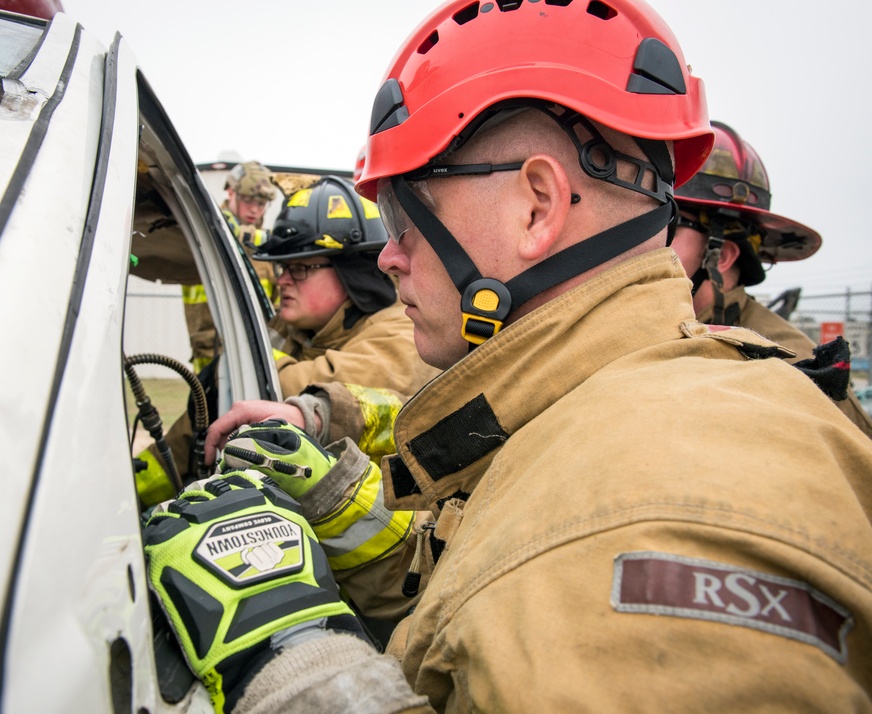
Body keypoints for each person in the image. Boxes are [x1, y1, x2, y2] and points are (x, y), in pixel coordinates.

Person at [145, 1, 872, 711]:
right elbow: (491, 587)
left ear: (536, 207)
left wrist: (299, 670)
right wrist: (334, 501)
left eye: (404, 214)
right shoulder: (582, 410)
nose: (389, 256)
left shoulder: (668, 499)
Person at [134, 175, 439, 510]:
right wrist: (131, 495)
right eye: (281, 267)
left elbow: (308, 385)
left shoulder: (401, 331)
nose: (282, 280)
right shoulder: (296, 328)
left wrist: (237, 357)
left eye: (300, 268)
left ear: (351, 270)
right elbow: (187, 437)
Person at [670, 121, 872, 437]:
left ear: (720, 255)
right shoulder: (655, 326)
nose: (648, 242)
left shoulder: (795, 371)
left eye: (669, 224)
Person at [182, 161, 279, 373]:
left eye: (262, 203)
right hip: (210, 354)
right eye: (248, 200)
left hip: (258, 357)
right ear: (230, 192)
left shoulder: (267, 249)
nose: (255, 209)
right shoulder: (206, 231)